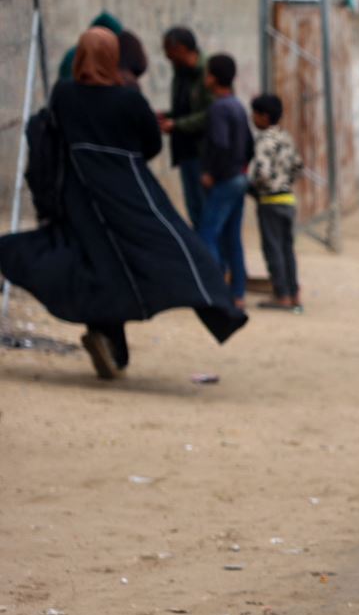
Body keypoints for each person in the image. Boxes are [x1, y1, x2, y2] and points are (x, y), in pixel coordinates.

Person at [0, 28, 245, 379]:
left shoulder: (64, 94)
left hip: (78, 198)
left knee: (90, 263)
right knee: (176, 251)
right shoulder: (128, 100)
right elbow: (151, 145)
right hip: (128, 198)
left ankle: (109, 343)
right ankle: (217, 305)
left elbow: (52, 134)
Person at [196, 54, 253, 310]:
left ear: (213, 78)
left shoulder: (219, 108)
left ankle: (215, 291)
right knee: (232, 238)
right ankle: (237, 293)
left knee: (207, 234)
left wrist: (211, 173)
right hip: (239, 177)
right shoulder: (238, 106)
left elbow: (220, 144)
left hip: (225, 179)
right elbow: (249, 145)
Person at [248, 93, 303, 312]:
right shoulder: (285, 137)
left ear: (263, 116)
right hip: (288, 199)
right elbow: (298, 165)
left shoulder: (264, 140)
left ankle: (281, 295)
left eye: (254, 114)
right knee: (287, 249)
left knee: (273, 249)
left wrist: (257, 187)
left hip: (270, 201)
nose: (252, 118)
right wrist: (285, 182)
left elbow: (261, 172)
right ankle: (294, 293)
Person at [157, 26, 211, 226]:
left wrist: (177, 124)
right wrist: (168, 116)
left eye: (168, 50)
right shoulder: (180, 73)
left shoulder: (207, 73)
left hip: (202, 153)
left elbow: (211, 114)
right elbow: (185, 109)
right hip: (186, 151)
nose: (166, 55)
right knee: (195, 211)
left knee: (204, 212)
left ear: (180, 48)